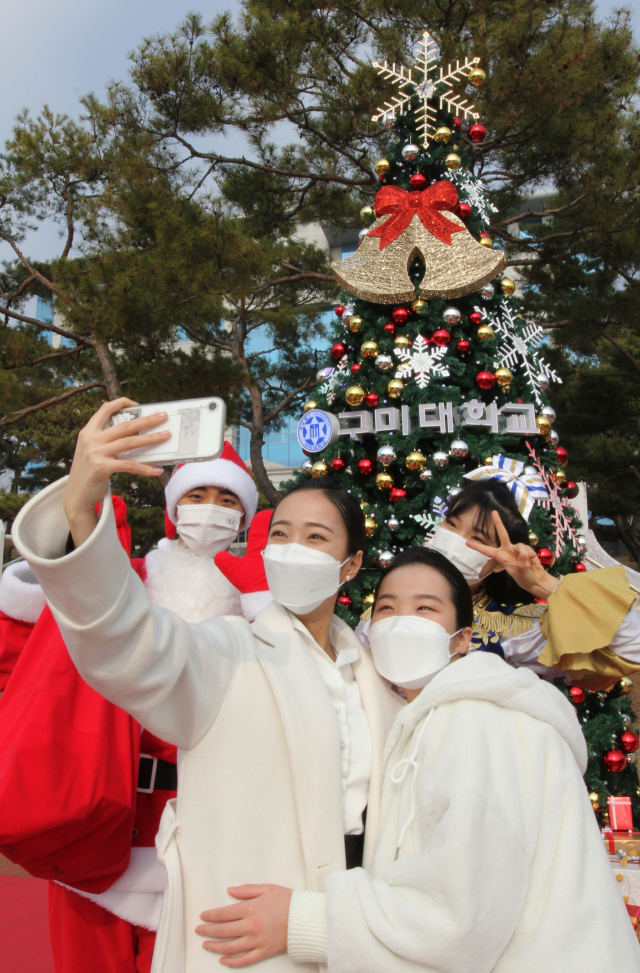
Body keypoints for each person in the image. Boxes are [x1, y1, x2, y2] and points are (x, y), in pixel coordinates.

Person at [11, 397, 403, 973]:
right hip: (134, 834)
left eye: (316, 538)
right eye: (284, 535)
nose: (295, 550)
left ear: (351, 565)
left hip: (307, 918)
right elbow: (127, 641)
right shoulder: (228, 646)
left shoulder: (368, 669)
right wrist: (81, 505)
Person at [204, 548, 640, 972]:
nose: (402, 623)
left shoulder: (477, 723)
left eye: (425, 609)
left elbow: (458, 920)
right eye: (387, 609)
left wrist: (301, 920)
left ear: (462, 639)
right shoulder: (435, 717)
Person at [0, 440, 266, 973]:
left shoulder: (258, 599)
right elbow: (22, 657)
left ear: (244, 518)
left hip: (208, 830)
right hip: (99, 817)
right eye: (197, 494)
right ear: (172, 507)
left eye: (227, 499)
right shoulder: (124, 579)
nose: (210, 508)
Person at [425, 480, 640, 688]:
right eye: (452, 524)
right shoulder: (392, 598)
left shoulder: (513, 630)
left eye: (478, 538)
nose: (456, 541)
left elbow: (632, 645)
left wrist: (544, 584)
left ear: (499, 563)